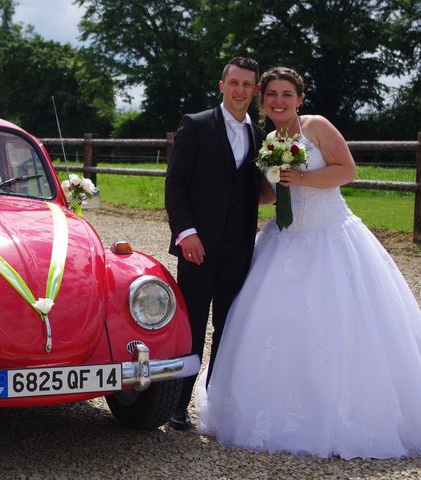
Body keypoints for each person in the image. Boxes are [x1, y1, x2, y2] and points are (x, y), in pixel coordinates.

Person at [194, 66, 421, 459]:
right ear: (262, 100)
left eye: (286, 94)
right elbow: (267, 194)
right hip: (284, 239)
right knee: (271, 325)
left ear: (300, 98)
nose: (278, 101)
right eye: (271, 94)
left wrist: (299, 180)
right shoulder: (266, 139)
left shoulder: (316, 126)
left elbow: (346, 170)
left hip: (330, 235)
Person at [165, 57, 273, 430]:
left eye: (248, 85)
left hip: (239, 248)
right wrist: (186, 232)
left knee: (229, 326)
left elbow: (253, 192)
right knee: (192, 324)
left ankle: (214, 404)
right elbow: (175, 184)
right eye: (235, 83)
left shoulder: (260, 137)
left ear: (255, 90)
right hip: (198, 246)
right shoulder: (194, 125)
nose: (240, 90)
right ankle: (177, 405)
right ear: (221, 85)